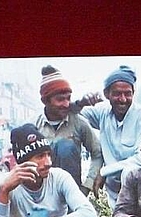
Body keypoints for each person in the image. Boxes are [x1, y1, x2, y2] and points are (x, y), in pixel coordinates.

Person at [73, 65, 141, 208]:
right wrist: (81, 102)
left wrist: (103, 172)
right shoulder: (103, 112)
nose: (123, 99)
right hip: (115, 195)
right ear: (107, 94)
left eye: (128, 93)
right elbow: (73, 115)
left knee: (130, 172)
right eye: (117, 93)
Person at [34, 65, 103, 196]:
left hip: (71, 194)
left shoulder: (78, 122)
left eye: (68, 98)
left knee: (65, 146)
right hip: (43, 194)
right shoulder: (34, 126)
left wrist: (88, 184)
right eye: (60, 99)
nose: (66, 104)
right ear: (45, 101)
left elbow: (97, 152)